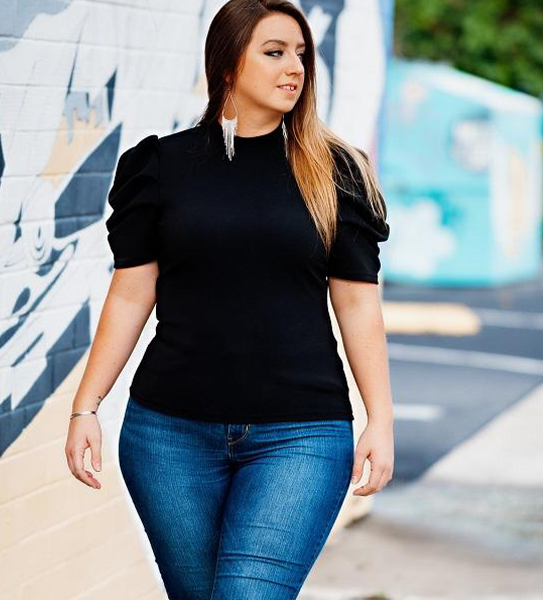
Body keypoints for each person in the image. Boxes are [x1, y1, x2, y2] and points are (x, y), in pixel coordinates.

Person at [64, 1, 395, 598]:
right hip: (168, 437)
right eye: (274, 52)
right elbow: (130, 294)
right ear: (226, 66)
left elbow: (357, 304)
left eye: (300, 54)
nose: (294, 67)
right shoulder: (159, 167)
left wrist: (381, 418)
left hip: (301, 435)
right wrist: (86, 406)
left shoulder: (337, 172)